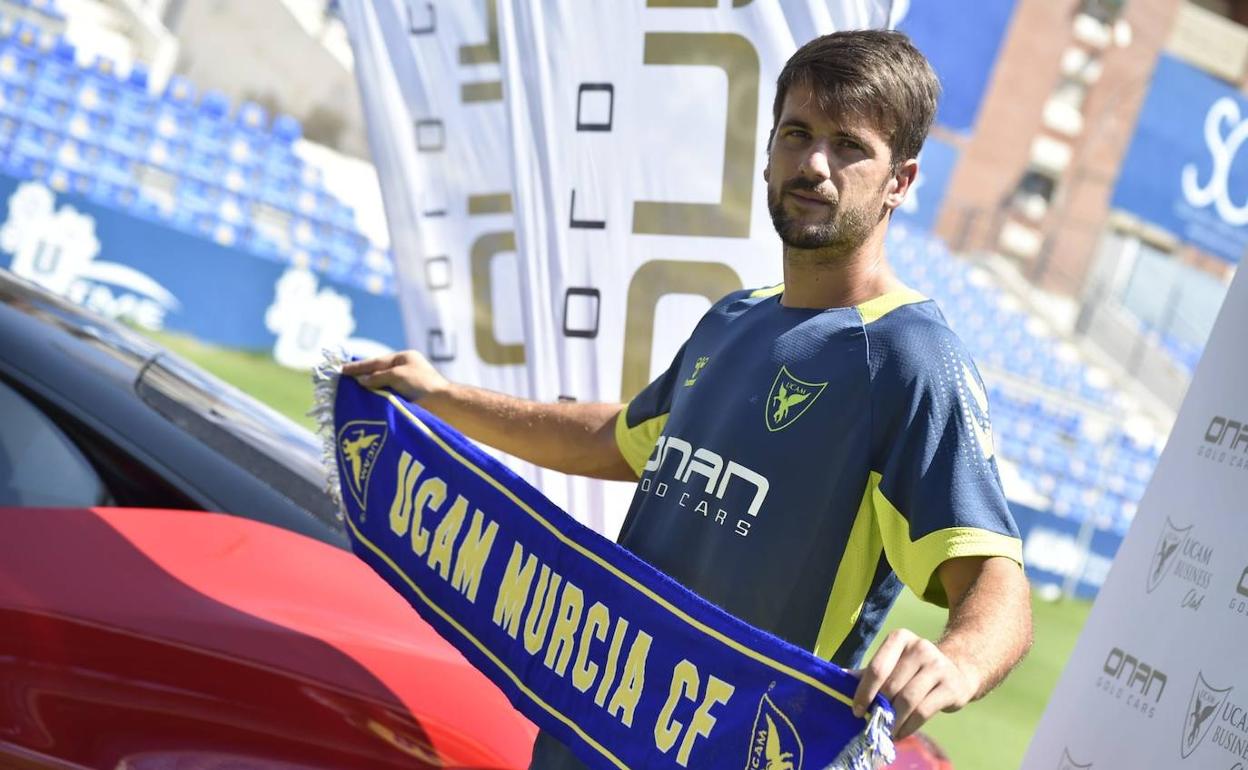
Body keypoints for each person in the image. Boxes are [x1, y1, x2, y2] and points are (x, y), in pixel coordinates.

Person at [344, 29, 1032, 769]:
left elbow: (997, 581)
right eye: (797, 134)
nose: (814, 165)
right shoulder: (735, 318)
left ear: (900, 180)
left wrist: (955, 664)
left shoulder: (909, 358)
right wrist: (444, 398)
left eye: (850, 146)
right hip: (586, 737)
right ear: (767, 150)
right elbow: (618, 439)